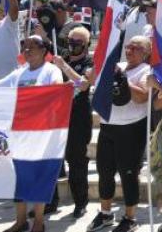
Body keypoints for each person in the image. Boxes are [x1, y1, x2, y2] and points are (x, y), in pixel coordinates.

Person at [88, 36, 162, 232]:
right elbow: (92, 80)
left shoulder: (147, 71)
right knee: (105, 171)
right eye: (128, 47)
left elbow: (142, 97)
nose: (130, 50)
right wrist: (100, 72)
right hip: (108, 125)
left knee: (128, 173)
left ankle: (130, 217)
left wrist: (122, 79)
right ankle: (105, 213)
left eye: (136, 48)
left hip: (131, 128)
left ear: (146, 52)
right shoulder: (119, 66)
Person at [0, 35, 64, 232]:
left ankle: (39, 222)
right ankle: (20, 220)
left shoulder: (52, 71)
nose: (27, 50)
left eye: (33, 47)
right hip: (19, 134)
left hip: (42, 134)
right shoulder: (19, 73)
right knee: (18, 177)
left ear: (44, 50)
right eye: (25, 47)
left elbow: (56, 94)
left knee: (38, 177)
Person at [49, 27, 96, 218]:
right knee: (51, 161)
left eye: (77, 43)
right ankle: (50, 202)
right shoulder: (62, 59)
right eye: (70, 42)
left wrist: (64, 67)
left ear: (85, 45)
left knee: (77, 161)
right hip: (56, 116)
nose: (72, 46)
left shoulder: (89, 62)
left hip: (78, 117)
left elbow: (84, 84)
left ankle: (80, 202)